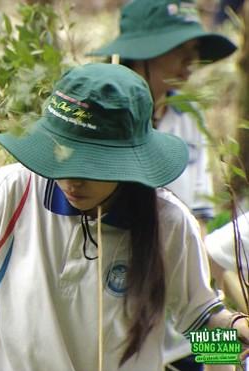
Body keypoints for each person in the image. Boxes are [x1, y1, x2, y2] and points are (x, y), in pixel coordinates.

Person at [0, 63, 249, 370]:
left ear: (129, 163)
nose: (71, 180)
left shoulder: (168, 223)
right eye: (61, 158)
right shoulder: (15, 191)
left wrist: (236, 330)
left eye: (93, 165)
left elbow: (201, 321)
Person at [88, 1, 238, 368]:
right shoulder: (103, 120)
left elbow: (198, 229)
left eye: (194, 52)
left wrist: (222, 344)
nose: (191, 62)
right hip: (115, 314)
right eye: (180, 51)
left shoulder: (188, 118)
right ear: (143, 55)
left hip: (184, 309)